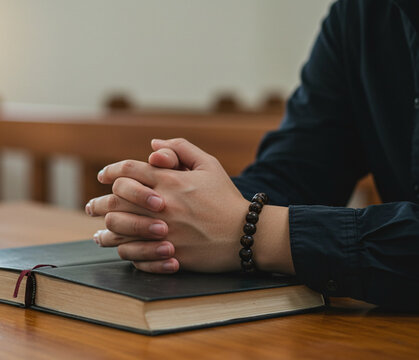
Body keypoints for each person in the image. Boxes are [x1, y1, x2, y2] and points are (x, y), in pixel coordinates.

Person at [84, 0, 419, 310]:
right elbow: (297, 170)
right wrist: (173, 207)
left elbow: (251, 222)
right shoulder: (359, 13)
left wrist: (250, 230)